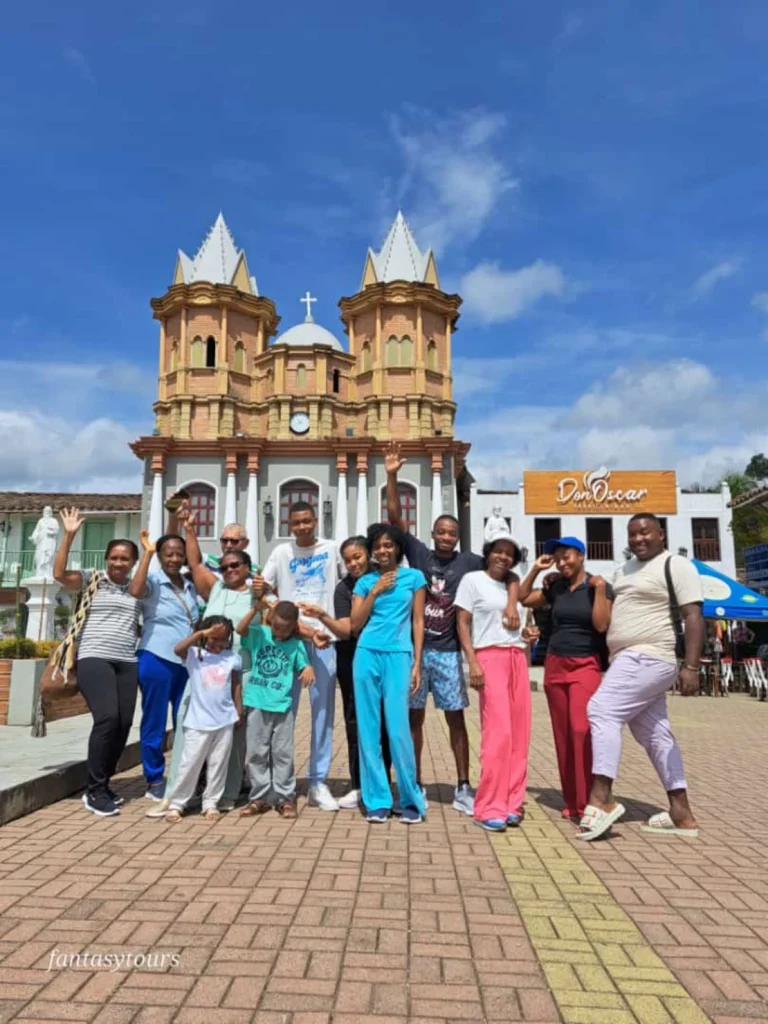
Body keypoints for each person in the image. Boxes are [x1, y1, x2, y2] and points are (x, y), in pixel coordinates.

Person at [385, 441, 519, 815]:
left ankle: (463, 785)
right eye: (441, 532)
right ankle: (413, 783)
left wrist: (511, 602)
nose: (446, 537)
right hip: (415, 653)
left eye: (451, 533)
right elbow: (396, 520)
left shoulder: (471, 562)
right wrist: (392, 476)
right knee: (414, 719)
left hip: (447, 652)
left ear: (457, 537)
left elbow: (510, 574)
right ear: (433, 534)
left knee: (455, 718)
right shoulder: (419, 554)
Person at [578, 514, 704, 841]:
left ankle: (602, 798)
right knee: (655, 735)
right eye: (632, 534)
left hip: (649, 653)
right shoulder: (623, 570)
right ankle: (681, 812)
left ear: (661, 534)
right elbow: (598, 593)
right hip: (626, 658)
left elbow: (693, 616)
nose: (638, 539)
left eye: (645, 532)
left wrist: (691, 666)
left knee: (602, 710)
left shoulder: (675, 564)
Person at [145, 539, 256, 818]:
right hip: (203, 669)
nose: (229, 570)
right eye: (225, 566)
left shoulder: (259, 593)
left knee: (232, 744)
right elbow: (193, 563)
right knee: (186, 741)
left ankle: (224, 796)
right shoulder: (217, 587)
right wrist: (189, 527)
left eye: (235, 565)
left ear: (247, 567)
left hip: (241, 667)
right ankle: (174, 796)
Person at [53, 508, 140, 817]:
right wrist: (69, 535)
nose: (118, 563)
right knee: (107, 718)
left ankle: (105, 783)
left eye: (125, 559)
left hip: (127, 661)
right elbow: (59, 575)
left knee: (124, 723)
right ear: (107, 559)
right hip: (93, 657)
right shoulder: (93, 579)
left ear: (133, 562)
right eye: (114, 557)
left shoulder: (136, 589)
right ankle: (94, 790)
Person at [520, 538, 612, 822]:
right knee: (563, 736)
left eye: (567, 556)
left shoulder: (598, 586)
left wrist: (598, 590)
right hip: (555, 664)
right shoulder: (556, 587)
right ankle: (572, 802)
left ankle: (590, 802)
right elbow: (523, 598)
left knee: (580, 731)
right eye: (558, 557)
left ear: (581, 555)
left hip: (586, 664)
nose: (562, 562)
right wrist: (535, 569)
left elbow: (601, 624)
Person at [298, 536, 393, 810]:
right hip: (351, 657)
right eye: (348, 560)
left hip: (385, 656)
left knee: (387, 721)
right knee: (356, 721)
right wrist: (322, 617)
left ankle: (383, 782)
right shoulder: (344, 588)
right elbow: (348, 628)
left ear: (369, 555)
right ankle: (359, 784)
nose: (353, 563)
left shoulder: (386, 579)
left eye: (358, 557)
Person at [261, 501, 340, 812]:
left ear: (316, 520)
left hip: (324, 641)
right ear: (289, 524)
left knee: (322, 712)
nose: (303, 527)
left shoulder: (332, 549)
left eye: (308, 521)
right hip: (289, 642)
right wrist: (289, 619)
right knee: (284, 712)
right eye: (297, 523)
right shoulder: (282, 553)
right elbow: (264, 591)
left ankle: (318, 781)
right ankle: (282, 782)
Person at [351, 523, 426, 824]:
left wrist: (417, 662)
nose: (383, 550)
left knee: (398, 730)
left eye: (388, 545)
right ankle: (378, 800)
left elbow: (418, 621)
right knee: (368, 731)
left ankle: (410, 799)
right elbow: (355, 623)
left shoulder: (414, 578)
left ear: (398, 548)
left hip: (399, 655)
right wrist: (374, 591)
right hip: (367, 653)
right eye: (377, 546)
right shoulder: (365, 581)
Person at [455, 534, 528, 832]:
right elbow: (462, 622)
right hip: (489, 656)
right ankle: (488, 805)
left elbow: (519, 612)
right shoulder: (472, 580)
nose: (503, 557)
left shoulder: (513, 584)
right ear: (488, 554)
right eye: (498, 551)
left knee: (520, 733)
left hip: (518, 656)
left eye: (509, 553)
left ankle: (512, 802)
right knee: (498, 733)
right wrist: (471, 660)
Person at [129, 531, 198, 801]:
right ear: (159, 556)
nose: (174, 558)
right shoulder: (153, 580)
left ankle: (183, 775)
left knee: (186, 722)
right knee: (154, 721)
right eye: (168, 553)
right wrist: (145, 554)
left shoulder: (190, 585)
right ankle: (155, 777)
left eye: (179, 553)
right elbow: (135, 591)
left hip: (186, 663)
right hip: (156, 657)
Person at [236, 600, 315, 819]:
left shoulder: (296, 645)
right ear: (270, 620)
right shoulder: (260, 634)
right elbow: (240, 630)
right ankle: (259, 797)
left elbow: (303, 663)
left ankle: (284, 798)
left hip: (282, 707)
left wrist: (308, 667)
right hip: (257, 703)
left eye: (286, 629)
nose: (279, 632)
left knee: (282, 753)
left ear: (294, 627)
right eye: (276, 627)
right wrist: (255, 608)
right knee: (256, 752)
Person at [164, 617, 243, 823]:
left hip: (224, 720)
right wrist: (200, 634)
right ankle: (177, 803)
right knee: (190, 763)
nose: (216, 644)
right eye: (212, 638)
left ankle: (210, 802)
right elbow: (177, 649)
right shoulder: (195, 655)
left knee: (218, 764)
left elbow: (235, 685)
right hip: (198, 722)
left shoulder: (231, 658)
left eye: (222, 640)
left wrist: (239, 711)